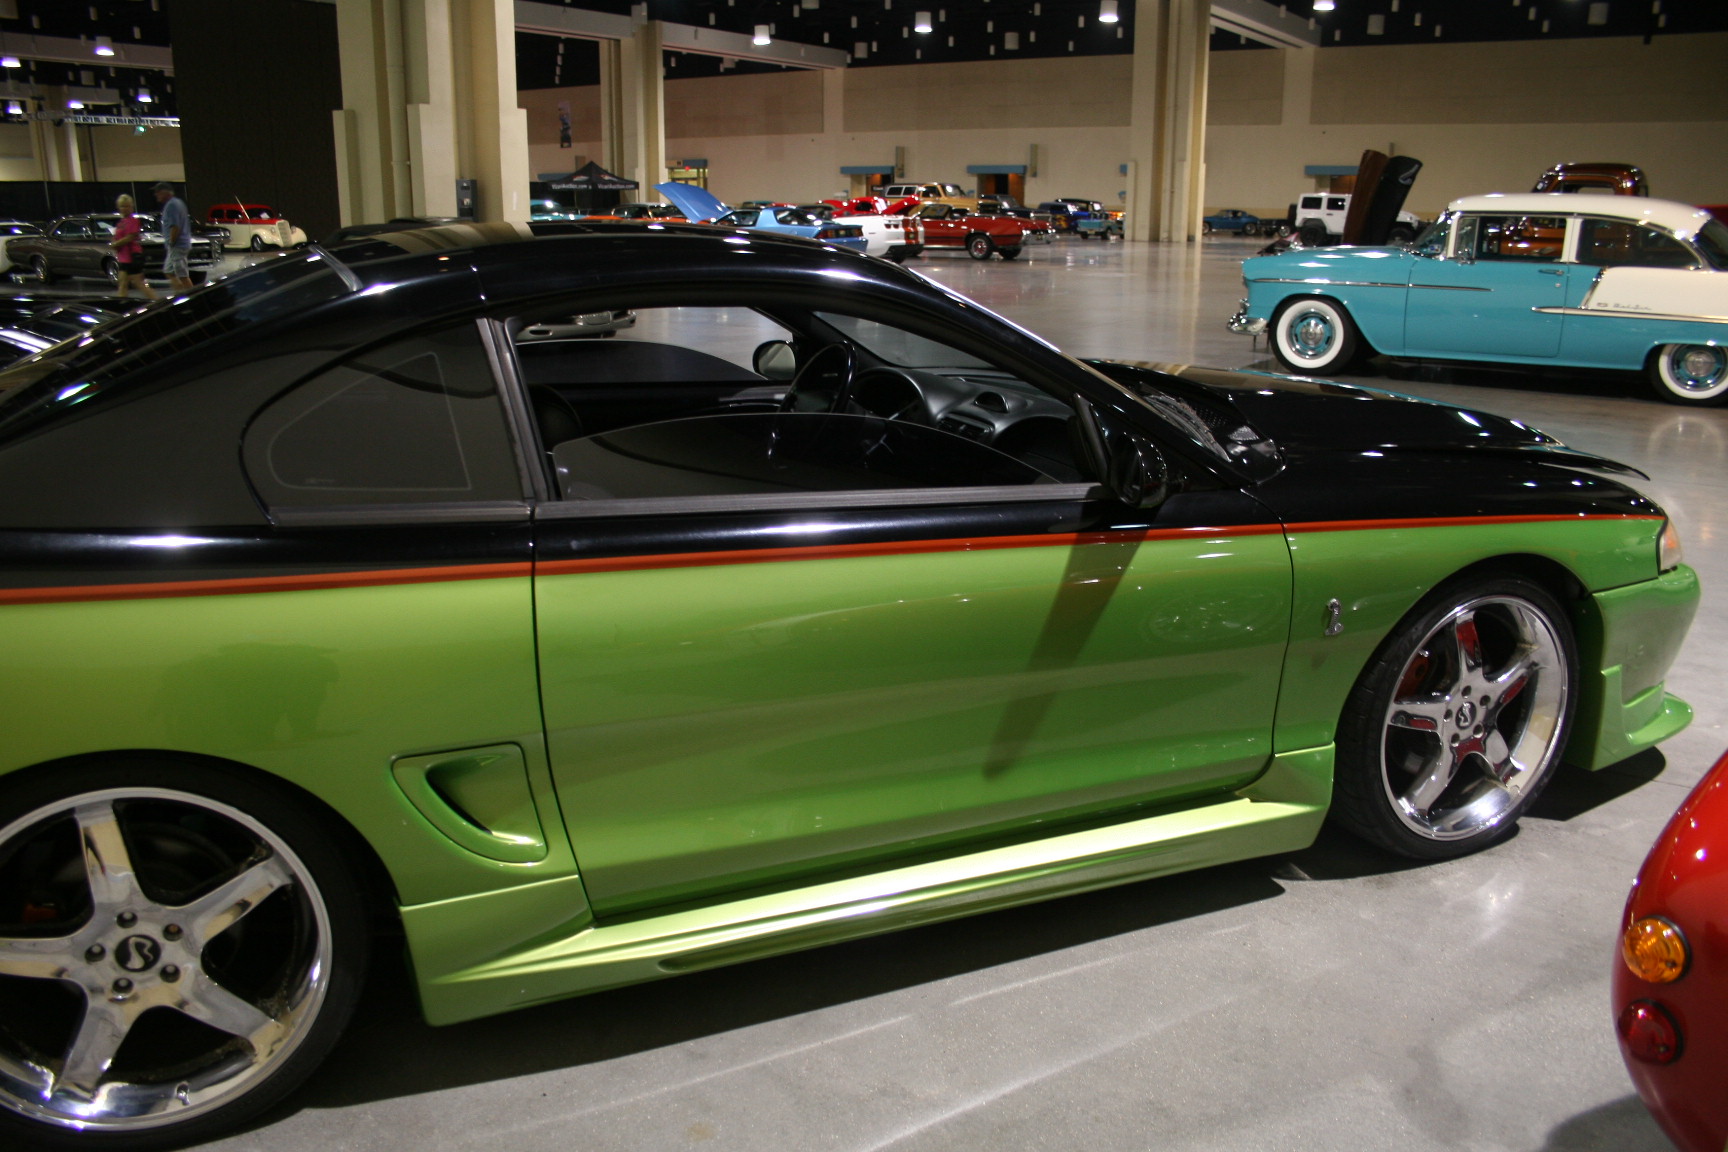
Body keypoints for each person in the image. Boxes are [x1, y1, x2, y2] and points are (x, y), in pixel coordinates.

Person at [108, 194, 158, 301]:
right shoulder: (121, 223)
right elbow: (117, 237)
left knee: (138, 283)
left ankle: (157, 302)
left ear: (131, 207)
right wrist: (114, 242)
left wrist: (116, 244)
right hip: (123, 258)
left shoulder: (133, 221)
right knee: (122, 283)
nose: (124, 209)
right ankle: (122, 305)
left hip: (133, 257)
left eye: (127, 206)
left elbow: (130, 237)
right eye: (122, 206)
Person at [152, 180, 194, 292]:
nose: (156, 194)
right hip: (179, 245)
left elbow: (175, 226)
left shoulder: (171, 205)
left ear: (166, 192)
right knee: (169, 271)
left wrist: (171, 242)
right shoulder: (178, 202)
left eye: (158, 192)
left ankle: (193, 297)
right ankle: (179, 294)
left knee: (182, 275)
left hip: (177, 246)